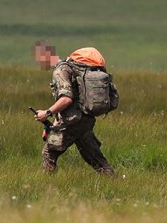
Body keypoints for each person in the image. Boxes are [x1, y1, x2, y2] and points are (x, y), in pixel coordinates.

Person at [32, 41, 116, 177]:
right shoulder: (73, 68)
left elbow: (66, 99)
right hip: (85, 120)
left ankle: (46, 187)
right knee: (96, 159)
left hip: (73, 121)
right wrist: (56, 122)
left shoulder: (61, 70)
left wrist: (46, 113)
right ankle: (114, 181)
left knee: (49, 152)